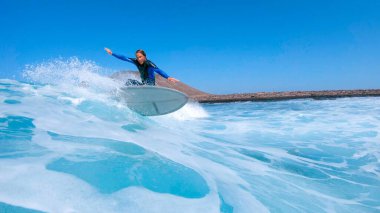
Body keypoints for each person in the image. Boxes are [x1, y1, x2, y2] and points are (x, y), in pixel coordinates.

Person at [105, 48, 179, 86]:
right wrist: (112, 53)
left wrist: (168, 77)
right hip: (143, 85)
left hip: (150, 85)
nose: (138, 59)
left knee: (148, 77)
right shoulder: (136, 61)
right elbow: (124, 58)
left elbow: (158, 70)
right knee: (129, 82)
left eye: (140, 57)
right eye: (137, 57)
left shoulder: (149, 64)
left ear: (145, 56)